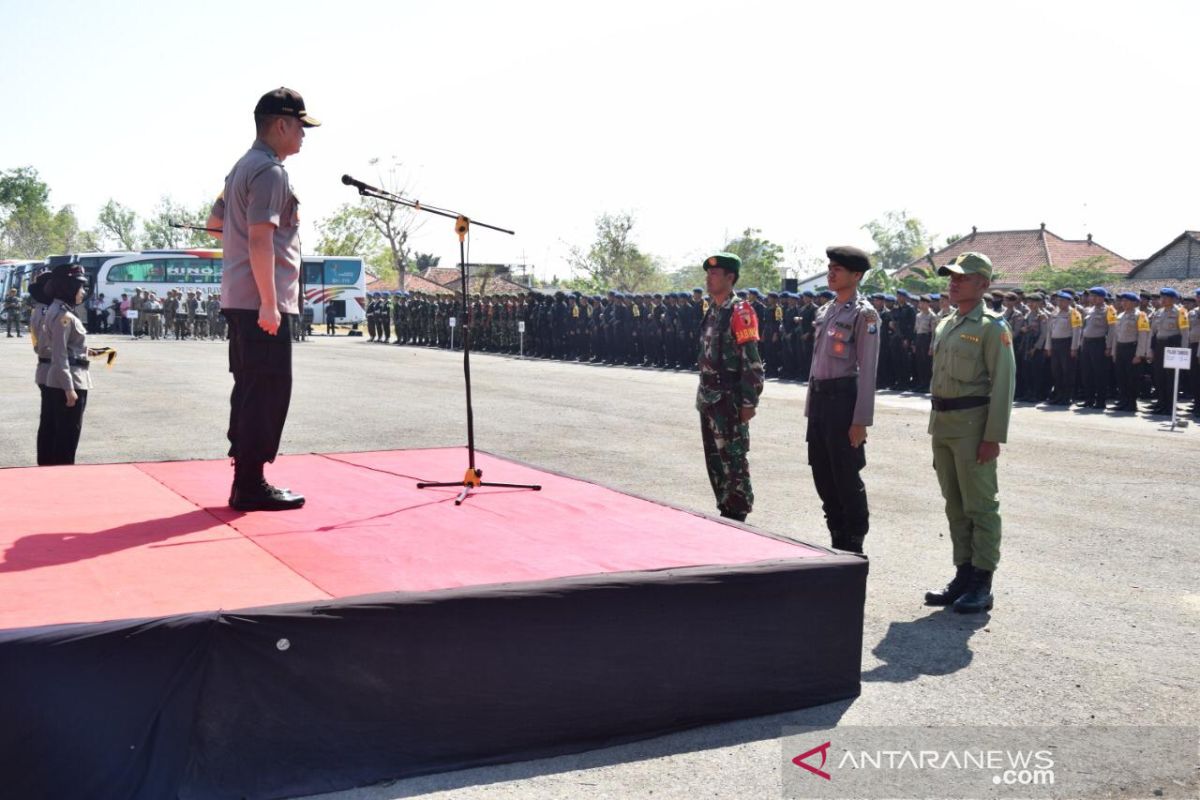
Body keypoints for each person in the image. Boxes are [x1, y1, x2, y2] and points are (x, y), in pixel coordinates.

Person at [207, 86, 318, 511]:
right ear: (281, 124)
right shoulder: (270, 171)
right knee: (268, 390)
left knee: (251, 388)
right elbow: (259, 240)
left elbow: (215, 225)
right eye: (301, 127)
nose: (304, 135)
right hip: (260, 302)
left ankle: (246, 479)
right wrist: (270, 304)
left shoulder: (241, 167)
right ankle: (251, 485)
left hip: (240, 297)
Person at [924, 252, 1015, 614]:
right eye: (951, 276)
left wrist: (993, 437)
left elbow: (1004, 384)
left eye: (962, 277)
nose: (953, 281)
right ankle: (963, 574)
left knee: (980, 505)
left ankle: (982, 581)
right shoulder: (946, 323)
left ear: (983, 284)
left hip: (973, 427)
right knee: (955, 505)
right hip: (944, 425)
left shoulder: (993, 328)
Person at [805, 246, 880, 554]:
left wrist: (861, 420)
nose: (830, 273)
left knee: (845, 474)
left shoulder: (865, 314)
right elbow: (816, 365)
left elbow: (868, 369)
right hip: (821, 402)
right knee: (822, 472)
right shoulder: (826, 310)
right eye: (829, 267)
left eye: (837, 268)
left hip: (843, 401)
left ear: (856, 275)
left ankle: (854, 539)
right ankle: (836, 536)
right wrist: (811, 408)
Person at [696, 253, 764, 522]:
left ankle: (738, 513)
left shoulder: (740, 311)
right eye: (708, 274)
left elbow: (752, 361)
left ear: (730, 278)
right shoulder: (712, 310)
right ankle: (724, 508)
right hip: (709, 397)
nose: (708, 278)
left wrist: (749, 402)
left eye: (714, 274)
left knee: (734, 460)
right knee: (715, 460)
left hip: (729, 399)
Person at [42, 262, 95, 465]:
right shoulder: (64, 316)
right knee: (67, 438)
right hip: (70, 381)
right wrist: (69, 388)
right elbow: (60, 355)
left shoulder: (59, 310)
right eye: (80, 287)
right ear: (69, 288)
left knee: (62, 436)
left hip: (70, 378)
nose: (82, 291)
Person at [28, 273, 55, 464]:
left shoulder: (42, 309)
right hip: (52, 366)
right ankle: (48, 462)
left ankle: (46, 460)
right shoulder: (46, 311)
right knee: (52, 423)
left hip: (47, 366)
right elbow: (46, 344)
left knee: (49, 420)